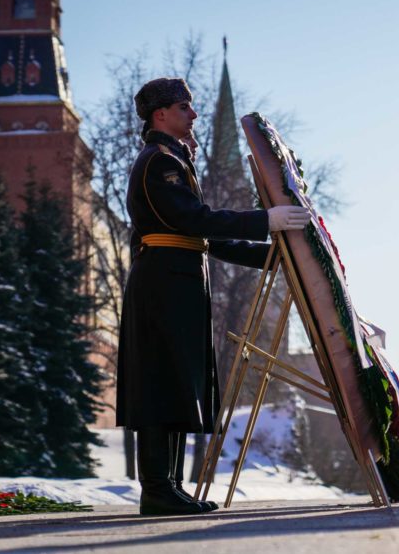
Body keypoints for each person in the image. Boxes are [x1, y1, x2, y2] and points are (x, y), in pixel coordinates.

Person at [117, 77, 310, 516]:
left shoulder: (175, 161)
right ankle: (157, 489)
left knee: (176, 384)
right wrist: (265, 219)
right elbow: (192, 218)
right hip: (162, 284)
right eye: (185, 107)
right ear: (160, 114)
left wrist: (274, 255)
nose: (194, 114)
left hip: (177, 283)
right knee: (160, 385)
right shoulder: (157, 162)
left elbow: (207, 238)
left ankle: (169, 487)